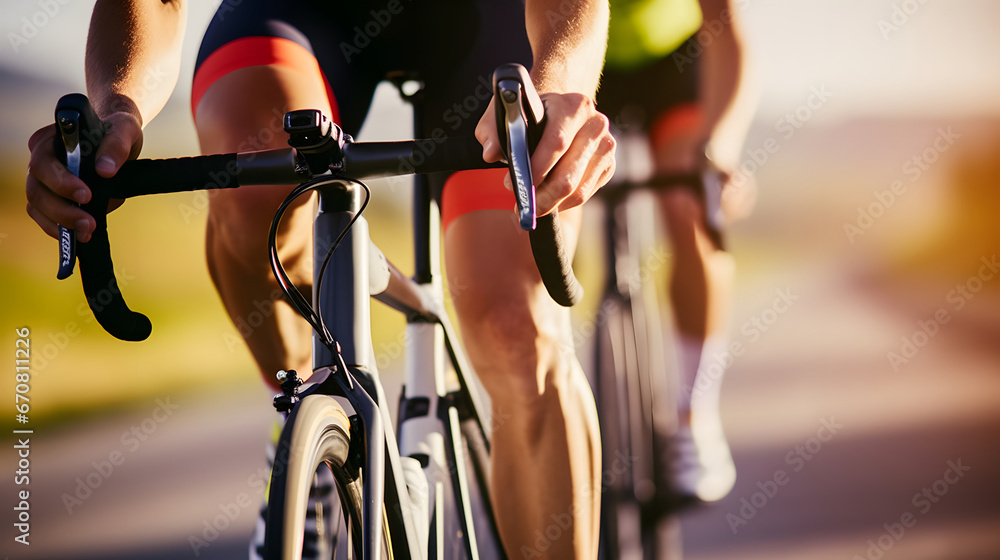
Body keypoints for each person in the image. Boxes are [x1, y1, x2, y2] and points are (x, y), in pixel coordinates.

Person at [25, 0, 615, 558]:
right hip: (304, 14)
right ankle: (308, 432)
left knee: (517, 326)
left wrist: (562, 85)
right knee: (255, 202)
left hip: (489, 23)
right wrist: (113, 115)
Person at [596, 0, 757, 503]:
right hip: (578, 53)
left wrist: (721, 150)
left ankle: (694, 413)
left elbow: (725, 29)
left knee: (691, 204)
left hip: (673, 62)